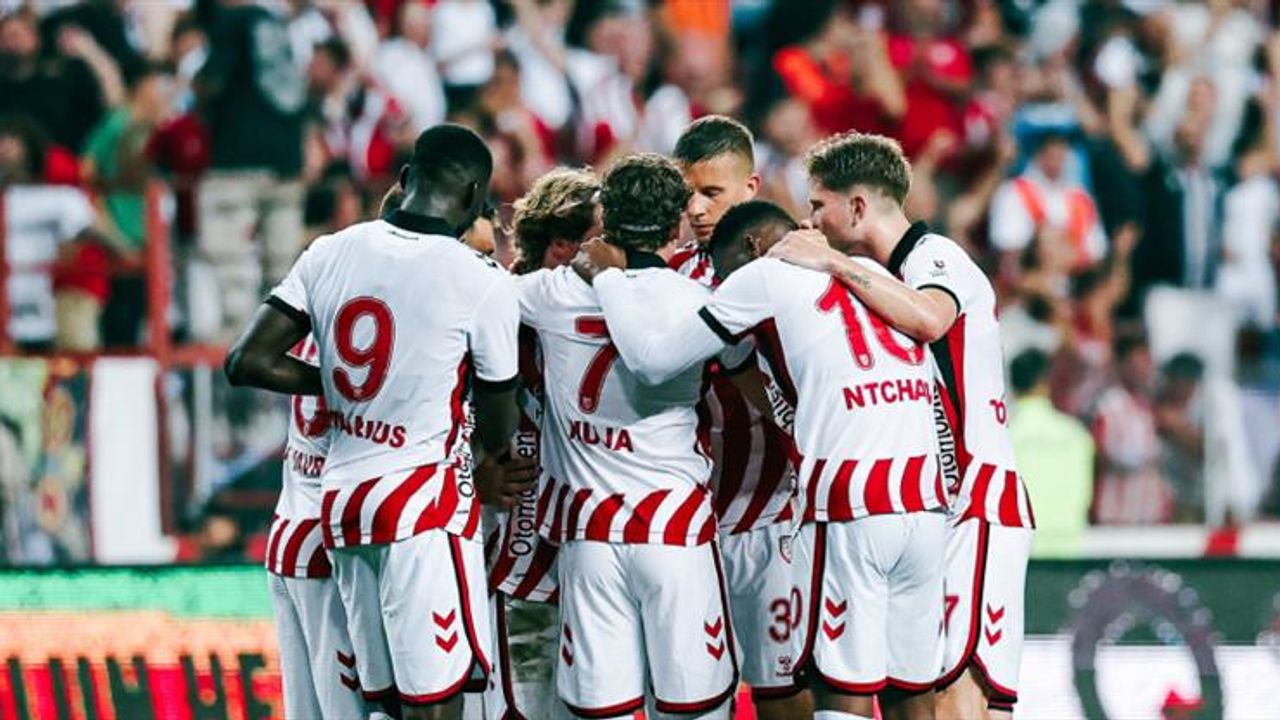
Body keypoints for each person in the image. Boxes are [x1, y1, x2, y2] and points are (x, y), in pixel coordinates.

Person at [577, 186, 948, 720]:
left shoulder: (762, 275)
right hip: (925, 503)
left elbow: (653, 361)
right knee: (912, 695)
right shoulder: (871, 273)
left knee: (840, 692)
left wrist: (608, 278)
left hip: (850, 503)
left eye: (723, 273)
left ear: (751, 248)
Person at [224, 124, 523, 720]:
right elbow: (499, 418)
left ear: (407, 179)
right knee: (434, 701)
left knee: (379, 702)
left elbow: (246, 361)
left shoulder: (330, 251)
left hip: (340, 505)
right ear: (474, 198)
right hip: (421, 507)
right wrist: (490, 456)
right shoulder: (480, 280)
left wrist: (337, 382)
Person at [766, 131, 1033, 719]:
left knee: (960, 698)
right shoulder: (885, 281)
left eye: (819, 205)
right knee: (929, 695)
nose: (811, 221)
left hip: (978, 502)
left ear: (858, 207)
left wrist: (833, 261)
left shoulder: (935, 257)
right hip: (936, 506)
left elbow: (932, 319)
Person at [517, 154, 747, 718]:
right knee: (694, 710)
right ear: (677, 224)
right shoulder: (698, 301)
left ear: (606, 217)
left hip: (590, 534)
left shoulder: (548, 293)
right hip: (674, 529)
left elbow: (478, 306)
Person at [667, 116, 811, 716]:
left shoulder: (796, 270)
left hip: (773, 513)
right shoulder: (666, 274)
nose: (696, 209)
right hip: (690, 521)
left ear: (751, 187)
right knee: (697, 694)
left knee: (784, 692)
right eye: (687, 194)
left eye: (712, 192)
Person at [474, 167, 601, 720]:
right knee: (526, 697)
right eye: (601, 238)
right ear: (562, 247)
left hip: (592, 530)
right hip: (517, 537)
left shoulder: (612, 304)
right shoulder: (496, 308)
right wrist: (477, 469)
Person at [263, 335, 367, 719]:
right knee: (349, 710)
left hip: (291, 527)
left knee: (305, 711)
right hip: (327, 545)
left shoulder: (312, 328)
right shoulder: (360, 334)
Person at [195, 0, 307, 344]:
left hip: (237, 162)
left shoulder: (231, 21)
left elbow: (211, 81)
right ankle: (281, 341)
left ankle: (239, 343)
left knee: (232, 271)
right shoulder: (275, 23)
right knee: (282, 270)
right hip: (286, 161)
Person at [1007, 348, 1094, 558]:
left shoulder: (1002, 435)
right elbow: (1085, 495)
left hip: (1017, 548)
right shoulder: (1076, 435)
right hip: (1069, 546)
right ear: (1046, 382)